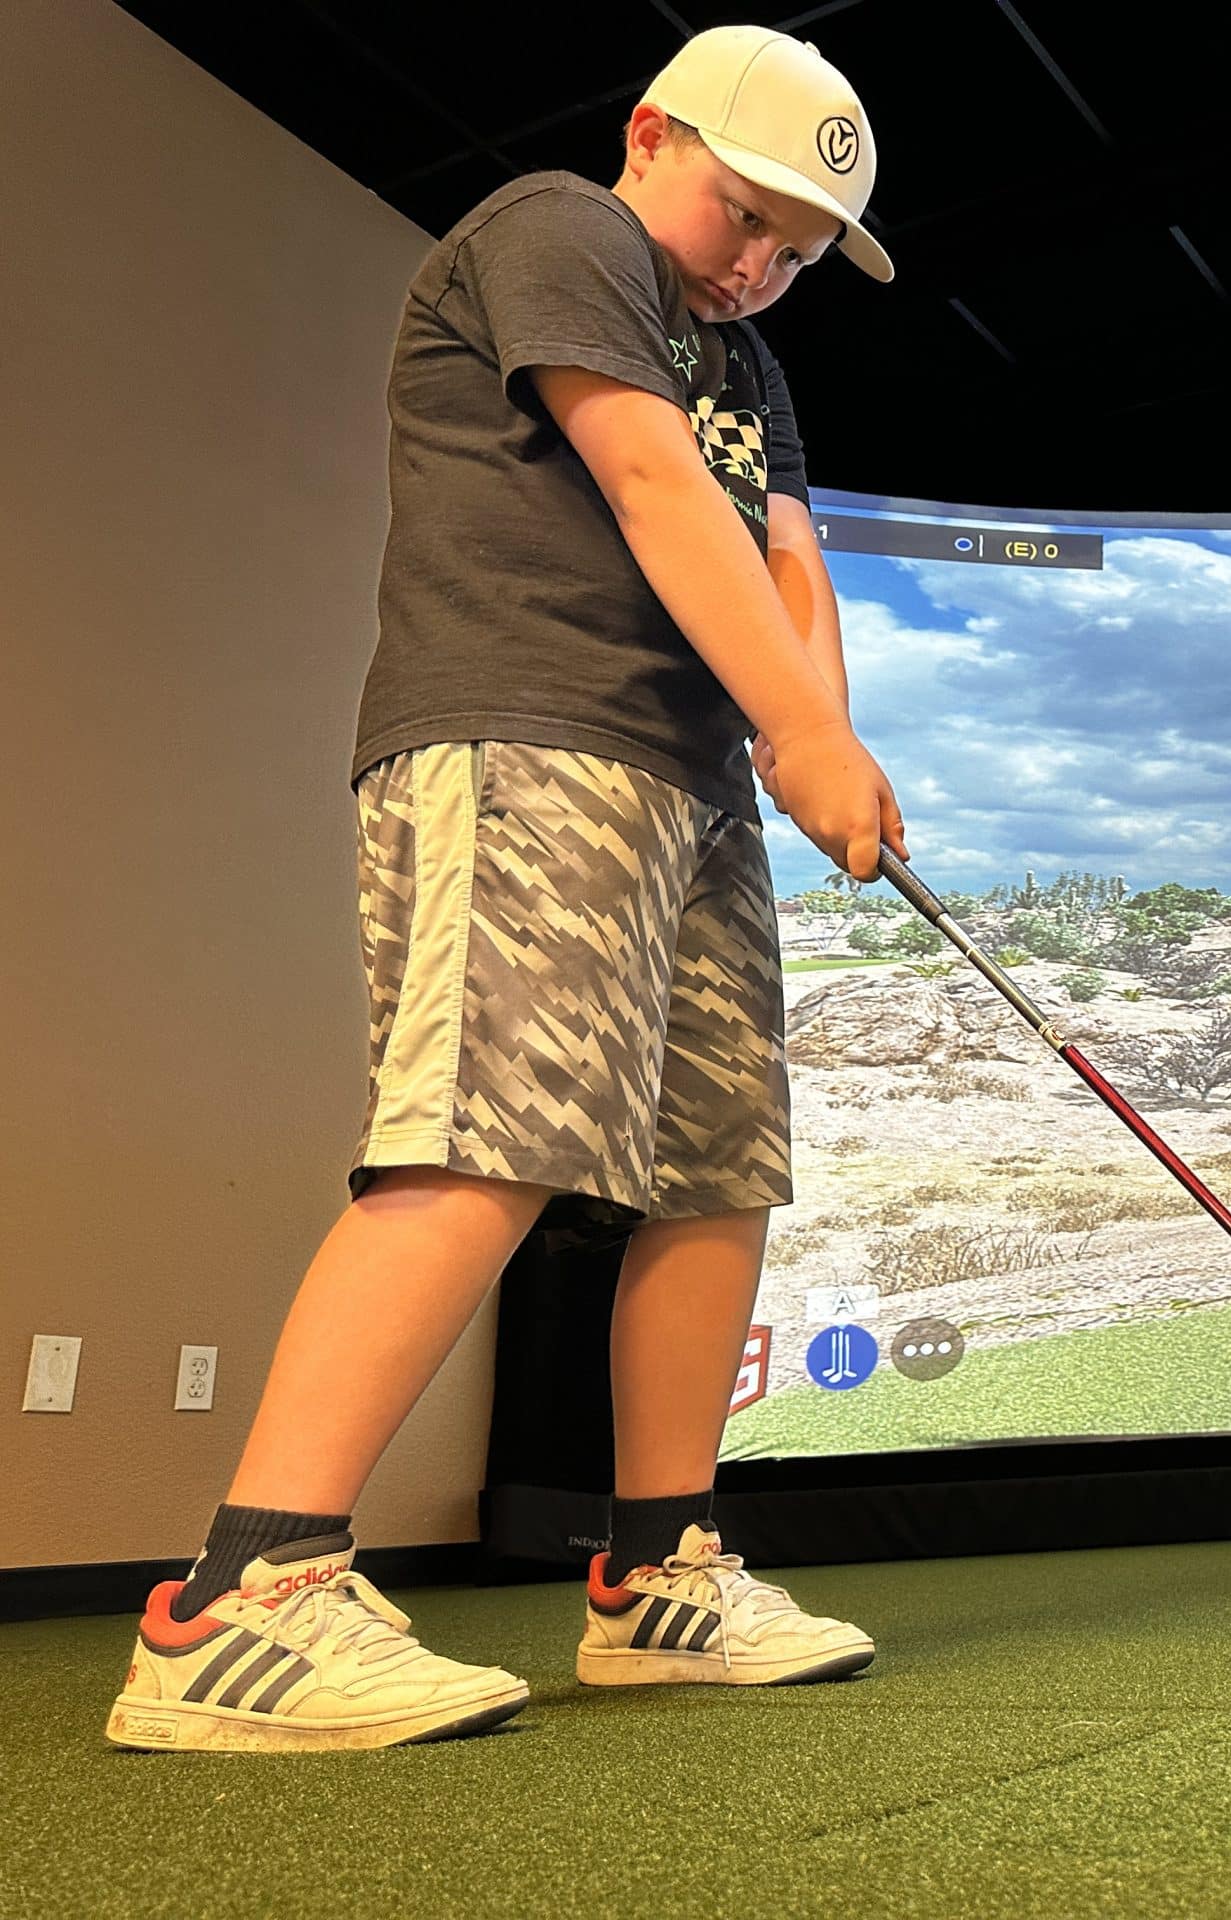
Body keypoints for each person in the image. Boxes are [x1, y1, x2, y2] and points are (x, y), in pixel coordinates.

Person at [104, 24, 908, 1753]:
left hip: (693, 790)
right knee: (491, 1131)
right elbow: (641, 473)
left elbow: (784, 553)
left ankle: (661, 1576)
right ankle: (244, 1596)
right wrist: (795, 725)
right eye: (748, 210)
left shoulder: (747, 367)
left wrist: (813, 739)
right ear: (652, 134)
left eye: (799, 250)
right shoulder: (563, 231)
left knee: (719, 1164)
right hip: (528, 735)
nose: (763, 262)